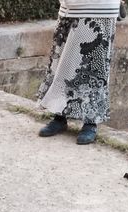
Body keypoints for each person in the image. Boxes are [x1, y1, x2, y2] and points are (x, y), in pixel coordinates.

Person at [37, 0, 121, 144]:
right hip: (69, 7)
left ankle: (90, 122)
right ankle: (59, 116)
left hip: (100, 8)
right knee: (62, 63)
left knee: (95, 66)